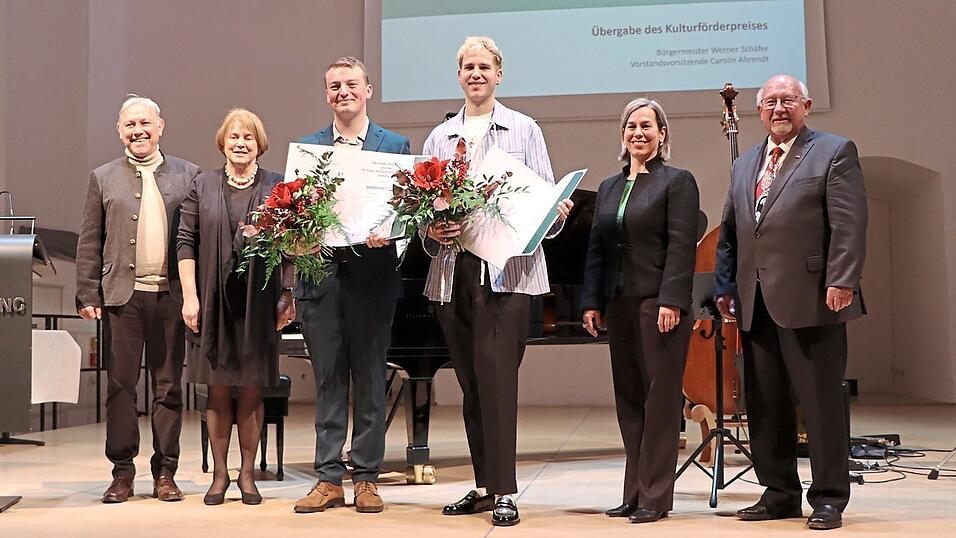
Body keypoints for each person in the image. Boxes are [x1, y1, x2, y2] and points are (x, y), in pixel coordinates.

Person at [422, 36, 572, 527]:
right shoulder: (438, 139)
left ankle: (506, 490)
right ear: (459, 75)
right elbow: (421, 218)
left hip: (506, 274)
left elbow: (548, 211)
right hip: (452, 274)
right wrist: (432, 228)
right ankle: (485, 485)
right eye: (467, 66)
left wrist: (557, 211)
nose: (475, 74)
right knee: (470, 383)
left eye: (484, 66)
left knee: (498, 381)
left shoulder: (524, 129)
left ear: (499, 74)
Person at [714, 74, 867, 531]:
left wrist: (843, 280)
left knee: (820, 404)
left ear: (807, 106)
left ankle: (828, 498)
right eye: (770, 102)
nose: (779, 109)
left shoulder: (833, 151)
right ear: (758, 111)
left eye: (788, 100)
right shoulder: (745, 165)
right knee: (765, 404)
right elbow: (731, 232)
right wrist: (725, 287)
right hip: (754, 302)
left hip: (815, 299)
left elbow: (850, 224)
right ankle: (779, 492)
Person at [293, 56, 410, 515]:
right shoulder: (306, 150)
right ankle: (327, 479)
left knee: (369, 377)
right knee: (326, 380)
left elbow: (409, 208)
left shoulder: (395, 145)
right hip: (321, 277)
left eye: (351, 84)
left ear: (368, 90)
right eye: (335, 85)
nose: (343, 91)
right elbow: (295, 218)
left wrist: (394, 227)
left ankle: (366, 478)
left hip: (374, 276)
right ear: (327, 94)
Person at [76, 95, 200, 503]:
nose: (138, 131)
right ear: (119, 130)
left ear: (161, 125)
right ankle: (122, 474)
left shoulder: (189, 175)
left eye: (145, 123)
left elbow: (197, 239)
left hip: (170, 297)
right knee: (120, 387)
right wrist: (86, 291)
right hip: (121, 299)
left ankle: (166, 472)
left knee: (168, 388)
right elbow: (91, 241)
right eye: (130, 125)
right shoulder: (103, 177)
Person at [581, 98, 699, 524]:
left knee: (661, 401)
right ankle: (633, 492)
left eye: (647, 126)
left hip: (658, 305)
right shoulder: (610, 187)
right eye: (631, 126)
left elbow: (682, 246)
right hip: (619, 303)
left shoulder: (678, 182)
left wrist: (672, 299)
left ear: (662, 134)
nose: (638, 133)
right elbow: (596, 249)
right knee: (629, 400)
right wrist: (592, 302)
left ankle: (656, 496)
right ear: (622, 134)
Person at [177, 108, 296, 506]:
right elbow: (185, 242)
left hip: (258, 305)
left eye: (248, 136)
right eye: (234, 137)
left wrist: (287, 293)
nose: (241, 142)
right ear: (222, 142)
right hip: (211, 302)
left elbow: (291, 247)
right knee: (217, 391)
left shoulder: (277, 185)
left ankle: (247, 474)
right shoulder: (202, 184)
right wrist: (190, 297)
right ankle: (220, 475)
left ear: (259, 143)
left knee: (250, 391)